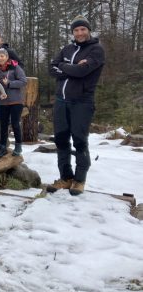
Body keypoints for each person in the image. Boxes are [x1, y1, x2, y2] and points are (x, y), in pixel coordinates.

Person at [46, 16, 105, 196]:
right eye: (76, 30)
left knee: (79, 140)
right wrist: (70, 66)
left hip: (82, 102)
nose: (79, 33)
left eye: (83, 29)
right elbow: (50, 68)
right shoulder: (67, 48)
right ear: (72, 32)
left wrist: (63, 67)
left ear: (88, 30)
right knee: (61, 139)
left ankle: (79, 180)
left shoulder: (96, 50)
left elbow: (81, 72)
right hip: (61, 101)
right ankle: (66, 178)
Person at [0, 49, 27, 159]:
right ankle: (2, 146)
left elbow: (24, 81)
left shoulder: (15, 67)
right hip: (3, 102)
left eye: (2, 56)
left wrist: (10, 83)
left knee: (15, 123)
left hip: (16, 101)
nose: (0, 58)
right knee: (3, 124)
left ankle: (18, 146)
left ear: (6, 56)